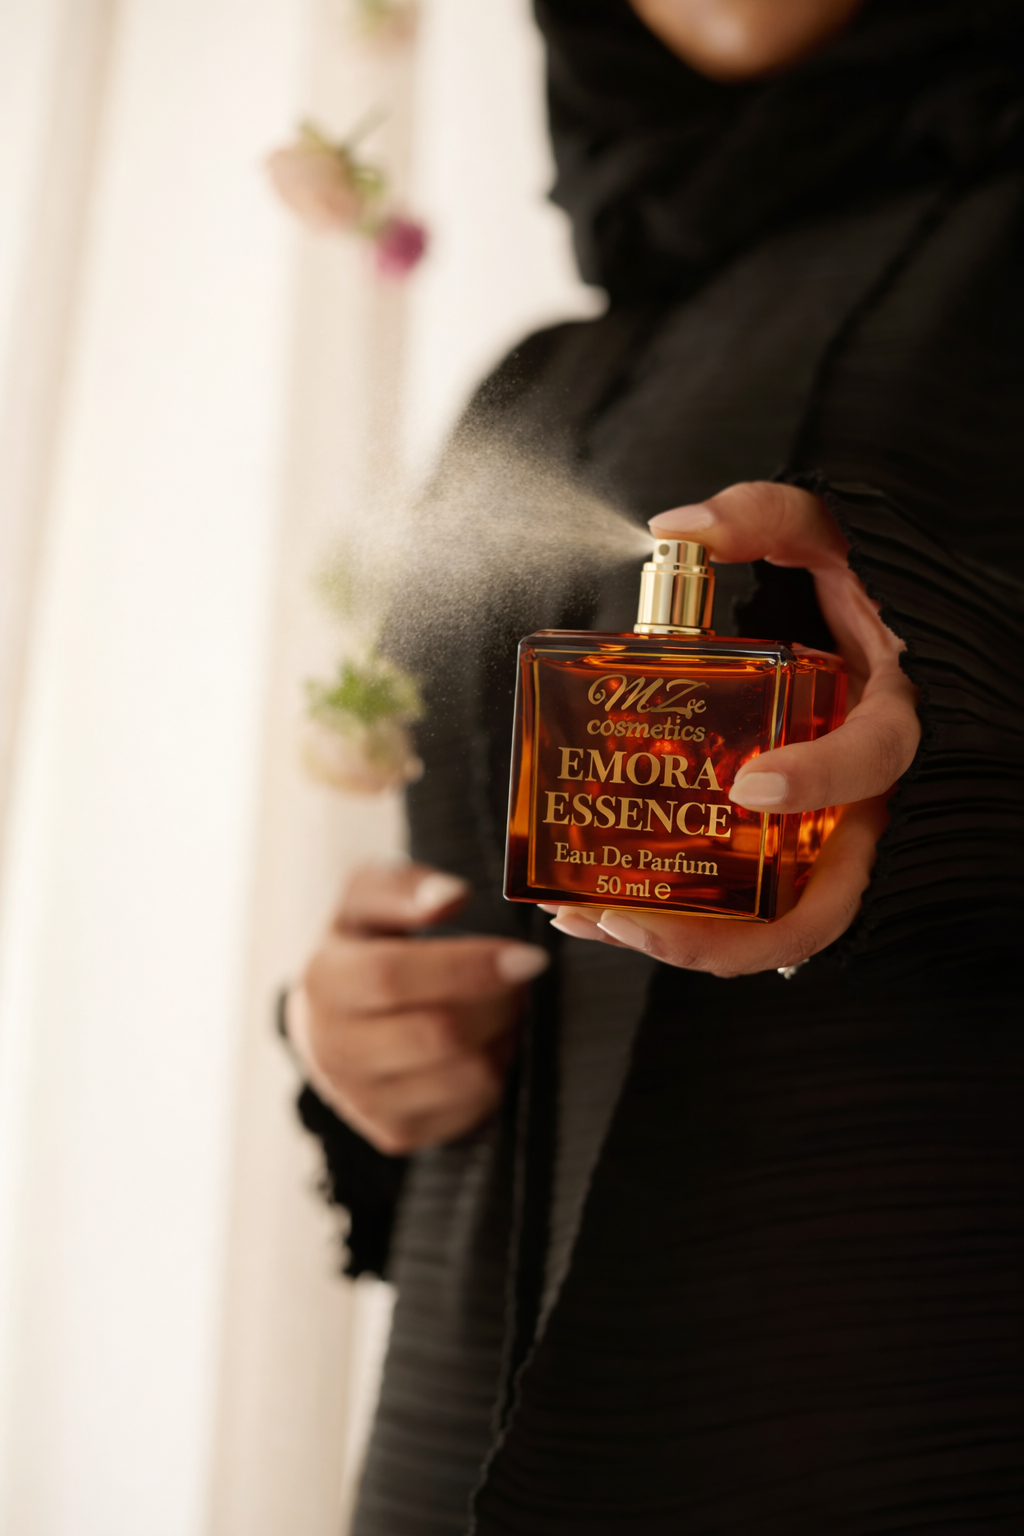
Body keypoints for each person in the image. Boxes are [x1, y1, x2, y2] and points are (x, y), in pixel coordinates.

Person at [285, 1, 1024, 1530]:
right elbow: (492, 894)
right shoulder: (537, 382)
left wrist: (969, 753)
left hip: (895, 1417)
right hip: (450, 1436)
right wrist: (370, 1034)